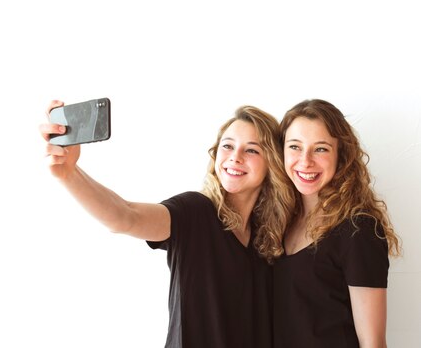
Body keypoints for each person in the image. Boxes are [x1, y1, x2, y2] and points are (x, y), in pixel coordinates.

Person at [40, 100, 294, 348]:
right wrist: (69, 173)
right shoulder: (195, 213)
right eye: (227, 146)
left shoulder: (268, 242)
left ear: (271, 162)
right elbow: (126, 216)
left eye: (251, 150)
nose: (235, 157)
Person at [273, 99, 402, 348]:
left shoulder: (359, 229)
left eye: (320, 149)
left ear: (341, 154)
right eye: (295, 147)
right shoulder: (278, 222)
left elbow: (373, 343)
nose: (305, 160)